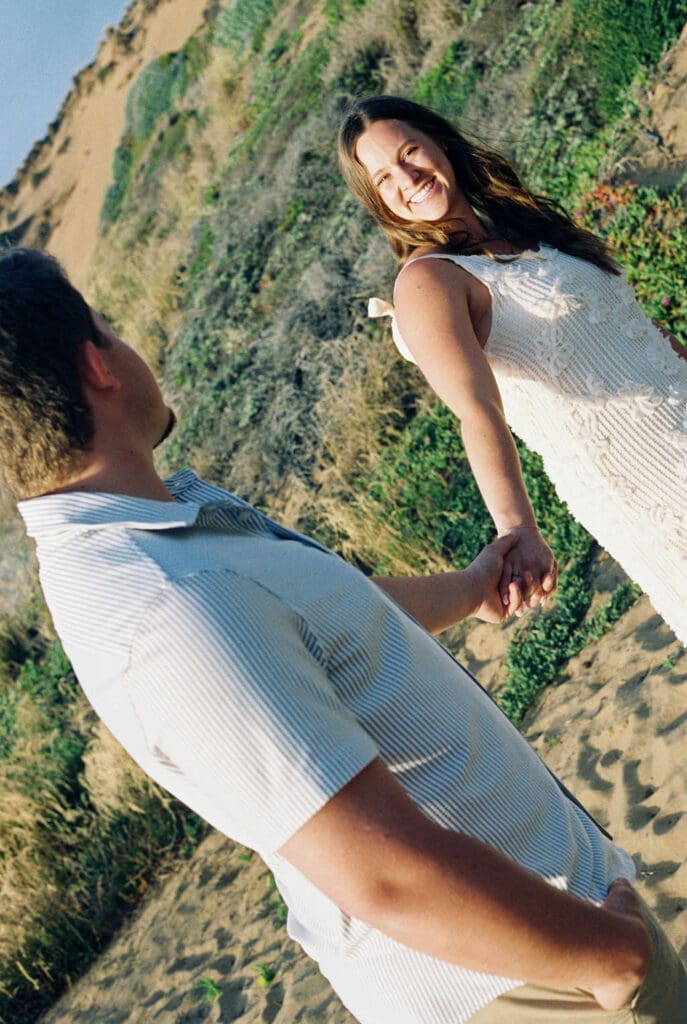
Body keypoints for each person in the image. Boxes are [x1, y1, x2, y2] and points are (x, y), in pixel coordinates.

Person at [1, 247, 685, 1024]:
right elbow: (383, 875)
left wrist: (467, 592)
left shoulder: (160, 544)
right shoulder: (168, 604)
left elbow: (308, 626)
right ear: (98, 366)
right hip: (523, 980)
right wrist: (611, 958)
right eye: (111, 331)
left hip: (541, 941)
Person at [338, 95, 687, 643]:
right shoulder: (430, 282)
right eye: (384, 178)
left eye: (410, 153)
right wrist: (517, 527)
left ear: (440, 144)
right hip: (653, 477)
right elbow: (476, 409)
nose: (407, 177)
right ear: (378, 200)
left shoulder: (515, 222)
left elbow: (630, 327)